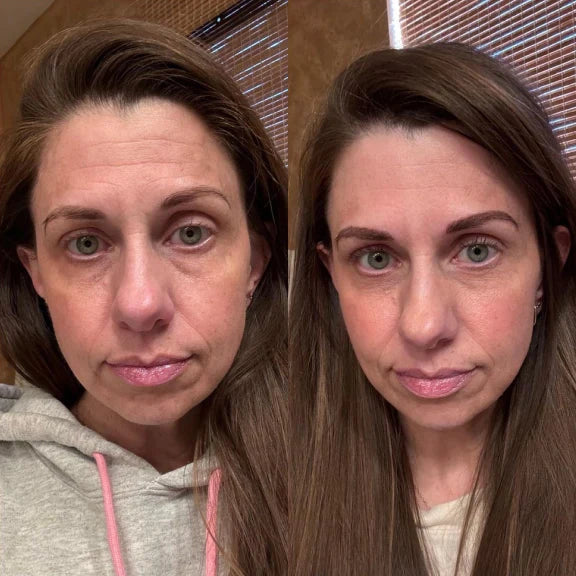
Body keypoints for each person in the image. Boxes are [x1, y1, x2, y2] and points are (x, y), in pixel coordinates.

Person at [0, 19, 287, 576]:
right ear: (34, 271)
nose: (139, 304)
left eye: (190, 232)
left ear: (254, 261)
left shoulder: (355, 467)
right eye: (85, 243)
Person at [290, 43, 576, 576]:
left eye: (476, 251)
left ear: (549, 265)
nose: (424, 325)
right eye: (376, 258)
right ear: (331, 274)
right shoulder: (273, 500)